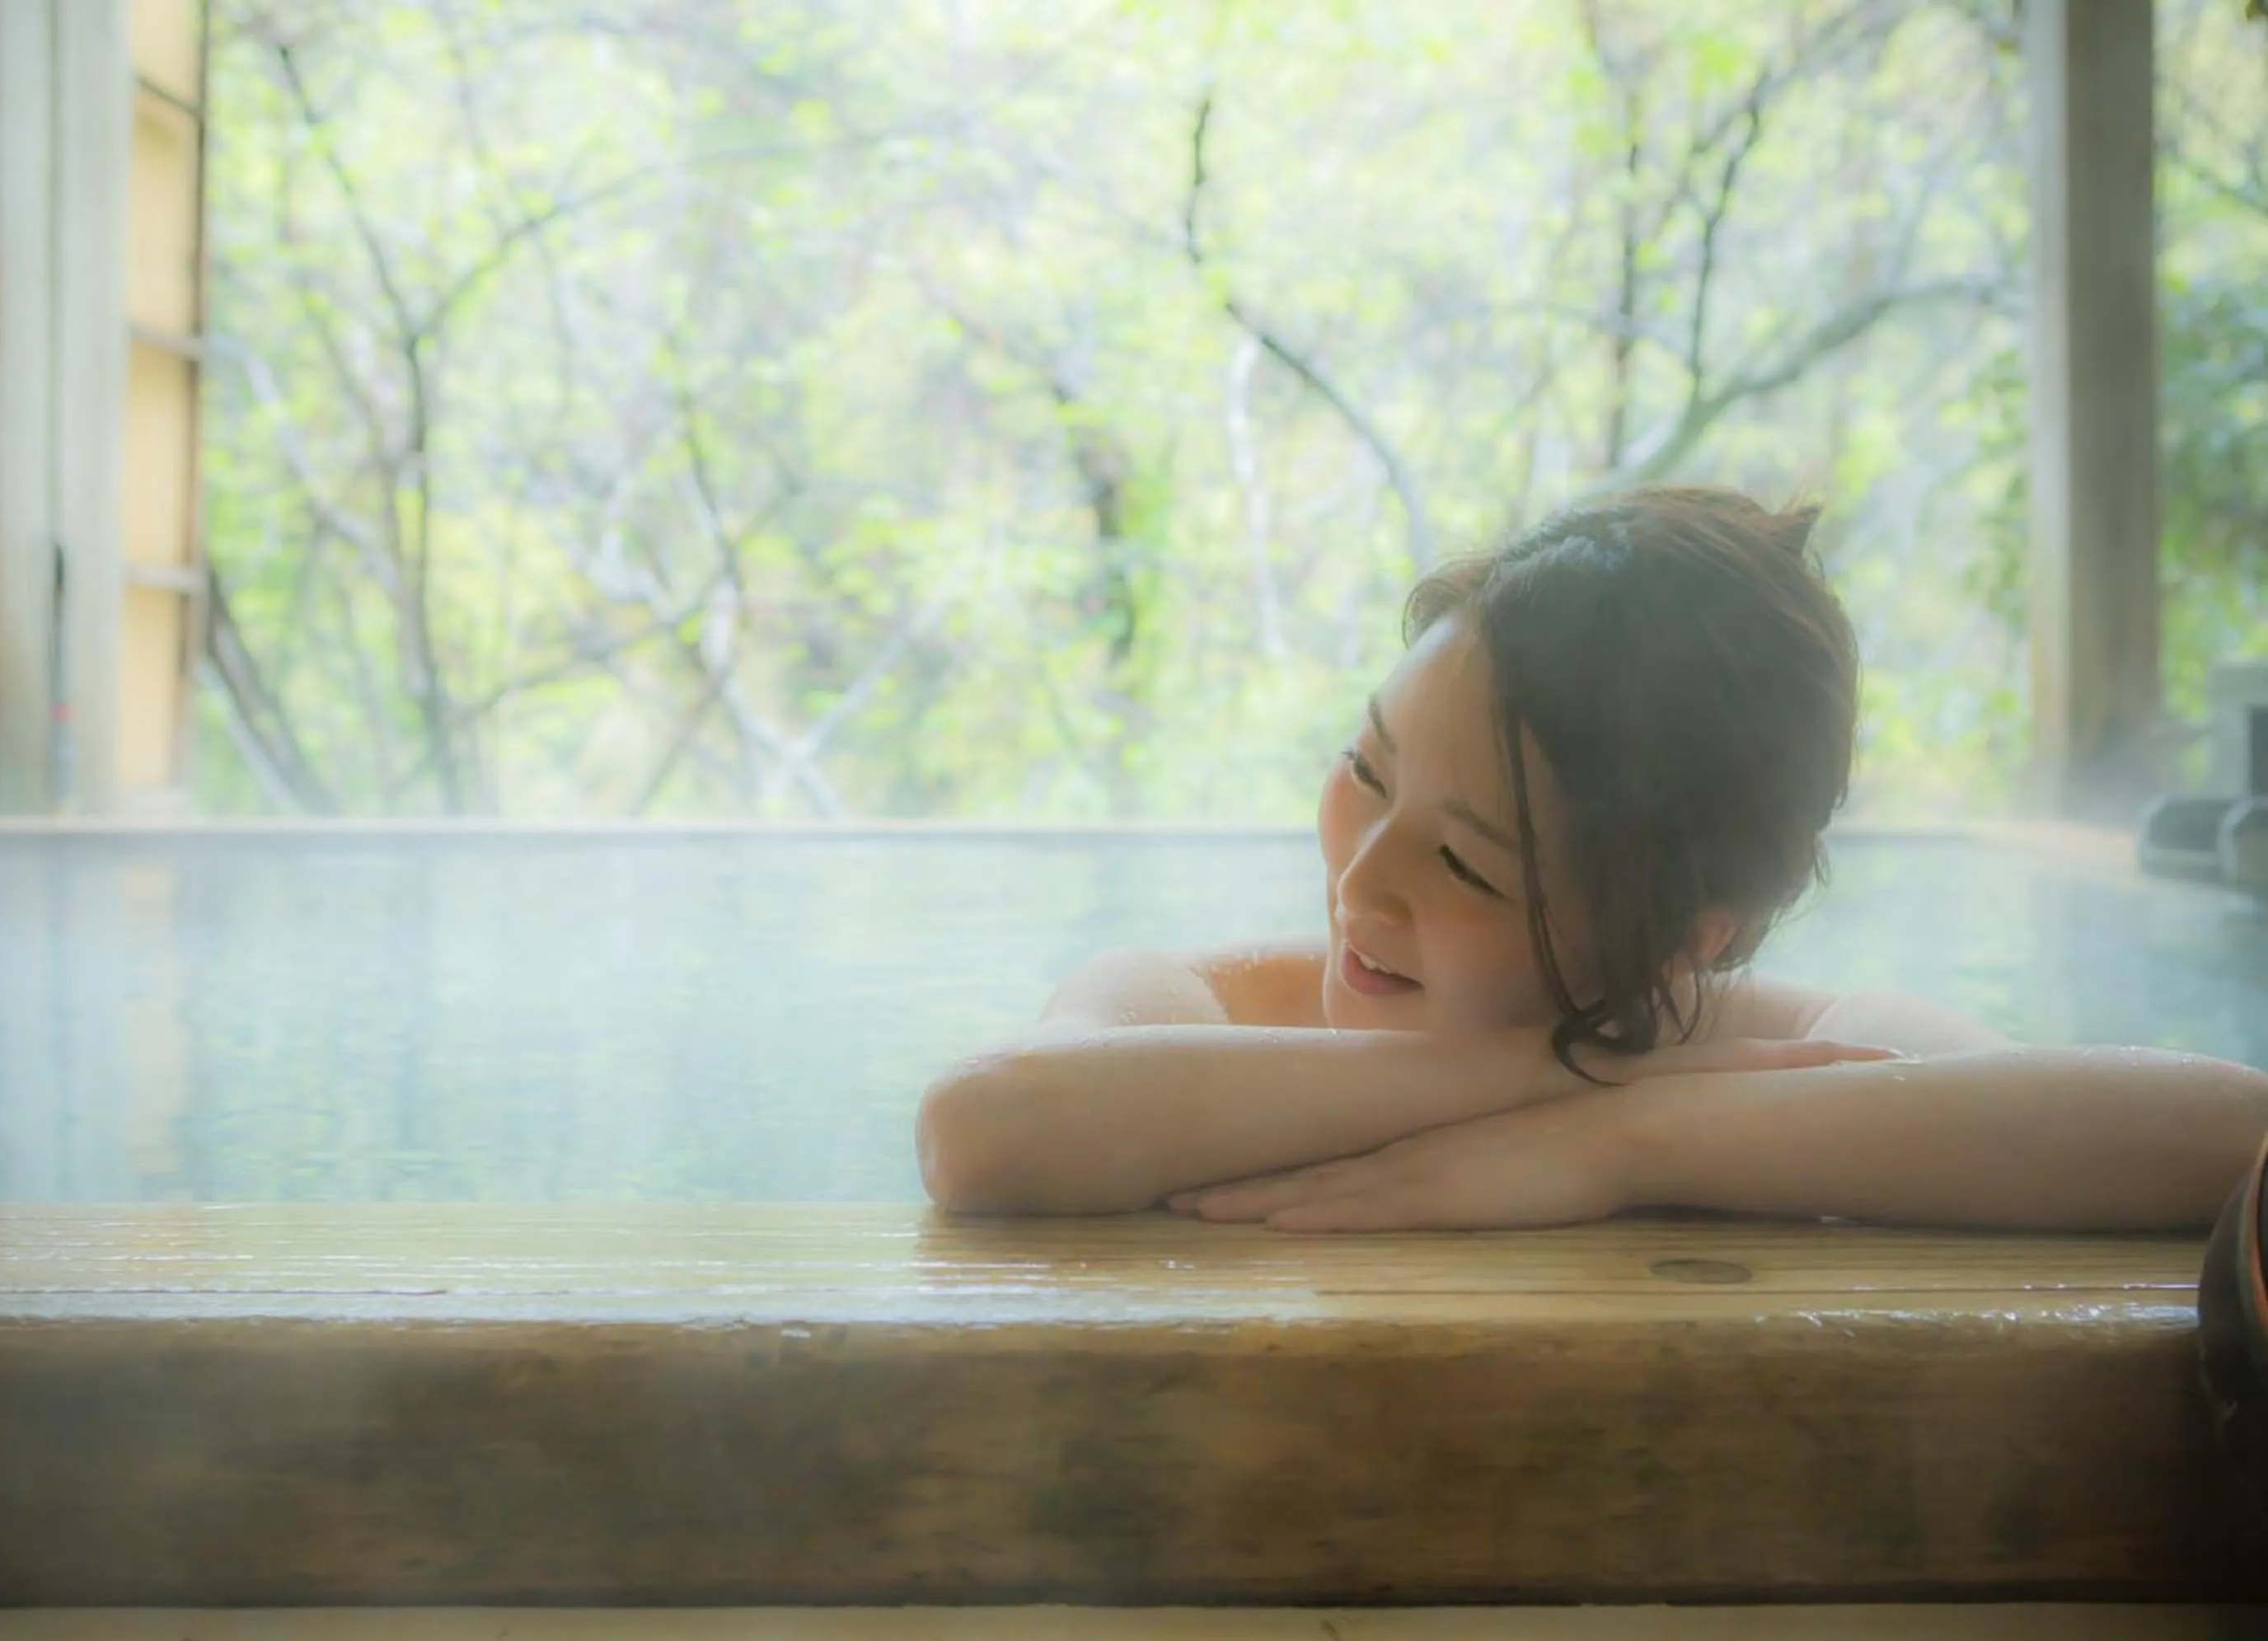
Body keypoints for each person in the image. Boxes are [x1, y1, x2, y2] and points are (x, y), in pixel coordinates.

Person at [915, 486, 2268, 1230]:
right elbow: (982, 1130)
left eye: (1468, 867)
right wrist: (1568, 1073)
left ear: (1685, 937)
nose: (1361, 880)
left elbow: (2232, 1138)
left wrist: (1625, 1141)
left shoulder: (1776, 1045)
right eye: (1366, 770)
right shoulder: (1206, 1003)